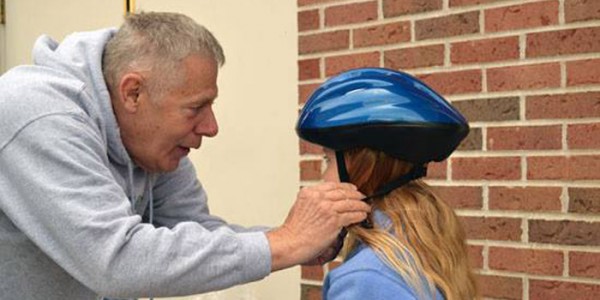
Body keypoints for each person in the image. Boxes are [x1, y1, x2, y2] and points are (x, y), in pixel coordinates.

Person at [0, 12, 371, 299]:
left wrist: (300, 242)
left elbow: (196, 231)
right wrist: (285, 243)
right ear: (133, 93)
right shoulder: (38, 115)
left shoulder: (148, 144)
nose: (211, 127)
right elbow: (115, 261)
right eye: (196, 108)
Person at [297, 68, 479, 300]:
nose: (324, 177)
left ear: (364, 170)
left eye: (328, 160)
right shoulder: (424, 241)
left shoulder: (365, 279)